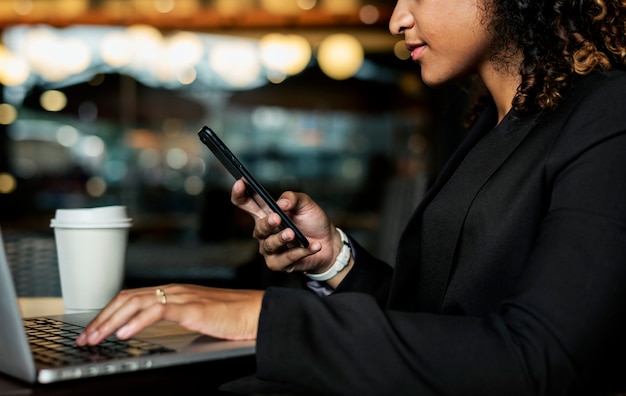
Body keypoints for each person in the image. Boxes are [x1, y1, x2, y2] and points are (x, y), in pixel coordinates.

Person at [76, 0, 626, 394]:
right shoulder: (489, 126)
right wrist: (334, 260)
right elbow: (431, 321)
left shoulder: (609, 115)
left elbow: (542, 360)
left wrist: (266, 318)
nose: (397, 18)